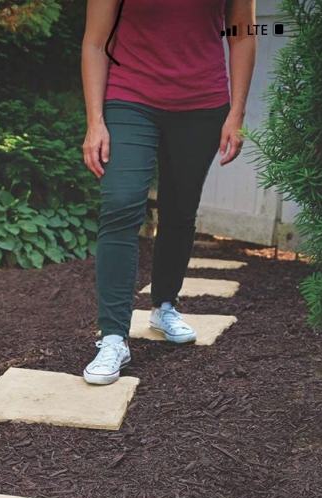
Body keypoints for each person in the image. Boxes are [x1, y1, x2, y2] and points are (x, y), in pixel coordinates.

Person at [81, 0, 256, 385]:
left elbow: (243, 33)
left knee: (180, 209)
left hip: (203, 104)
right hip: (129, 98)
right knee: (121, 203)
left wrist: (237, 113)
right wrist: (95, 121)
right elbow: (95, 41)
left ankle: (164, 305)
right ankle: (113, 336)